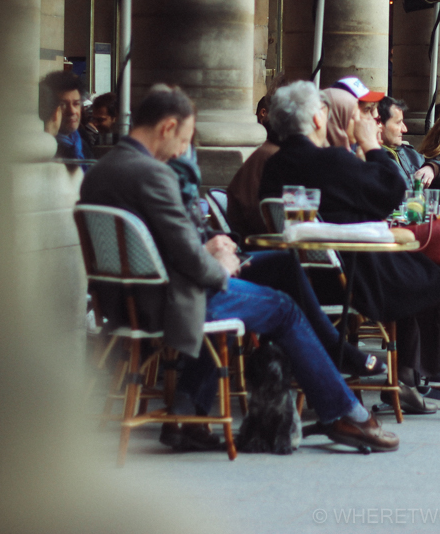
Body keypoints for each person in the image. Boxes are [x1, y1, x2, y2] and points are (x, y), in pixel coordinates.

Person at [81, 85, 398, 452]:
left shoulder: (103, 169)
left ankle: (186, 412)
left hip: (131, 297)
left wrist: (211, 247)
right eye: (184, 139)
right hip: (170, 300)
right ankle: (342, 412)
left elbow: (155, 243)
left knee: (280, 262)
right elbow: (185, 255)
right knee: (283, 308)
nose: (183, 149)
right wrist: (220, 265)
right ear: (167, 127)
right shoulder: (152, 173)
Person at [260, 83, 440, 421]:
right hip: (356, 275)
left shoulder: (277, 163)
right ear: (316, 118)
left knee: (424, 276)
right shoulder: (326, 160)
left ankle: (408, 383)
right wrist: (370, 144)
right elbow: (392, 190)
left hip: (314, 276)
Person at [39, 70, 93, 166]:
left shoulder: (82, 142)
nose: (72, 111)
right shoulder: (43, 147)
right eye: (63, 104)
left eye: (76, 104)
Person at [376, 97, 428, 189]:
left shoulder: (411, 154)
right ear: (379, 123)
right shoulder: (368, 157)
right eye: (398, 122)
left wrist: (433, 168)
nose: (404, 129)